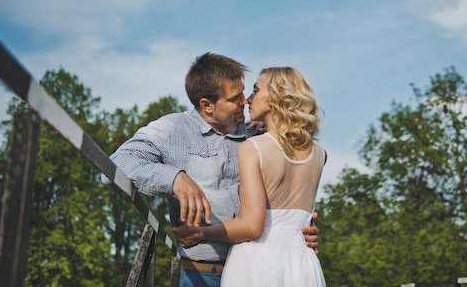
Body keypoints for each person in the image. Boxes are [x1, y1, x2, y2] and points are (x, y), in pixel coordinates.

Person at [106, 53, 319, 287]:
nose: (245, 100)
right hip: (201, 276)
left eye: (245, 91)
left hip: (262, 270)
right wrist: (173, 177)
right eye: (234, 97)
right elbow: (116, 164)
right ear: (207, 105)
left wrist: (296, 228)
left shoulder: (259, 135)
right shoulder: (171, 130)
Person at [172, 66, 327, 287]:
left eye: (255, 90)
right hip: (303, 264)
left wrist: (198, 234)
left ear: (276, 97)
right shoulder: (320, 155)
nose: (248, 100)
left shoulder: (252, 148)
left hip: (259, 262)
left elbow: (252, 226)